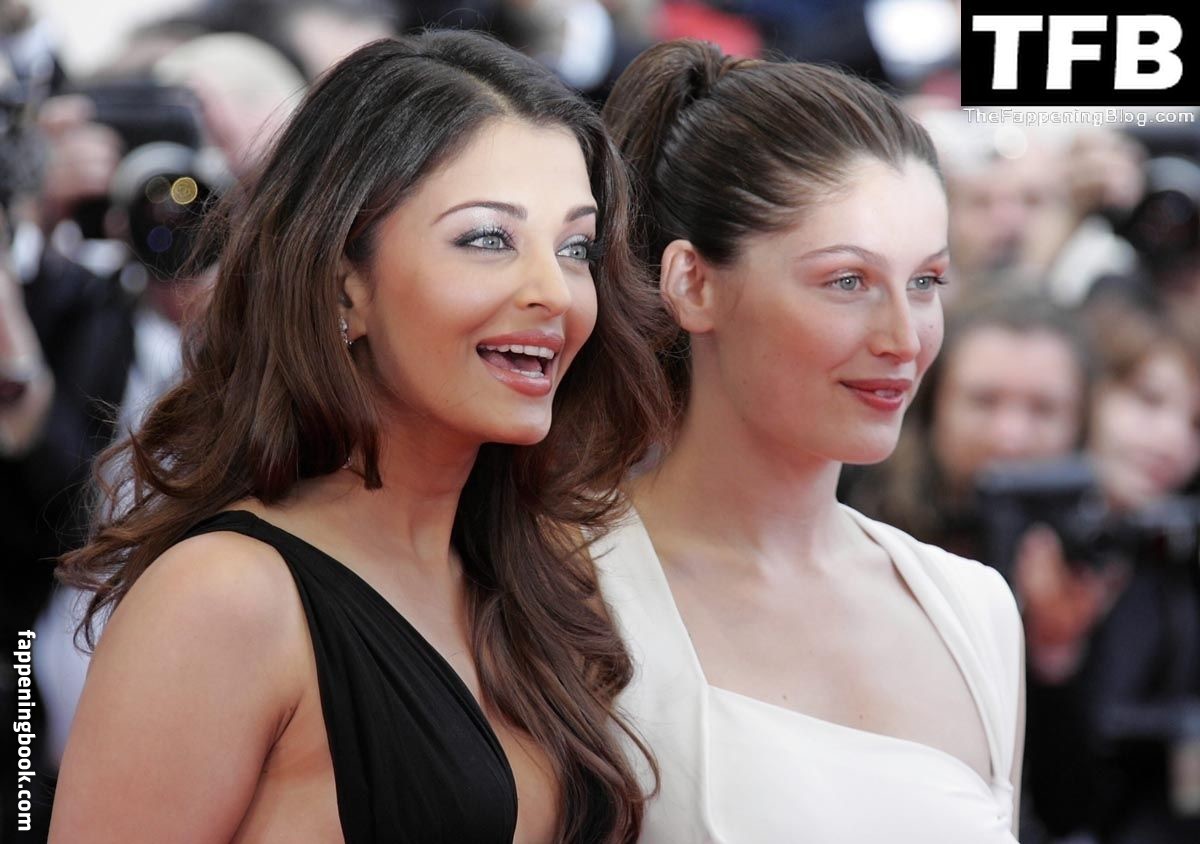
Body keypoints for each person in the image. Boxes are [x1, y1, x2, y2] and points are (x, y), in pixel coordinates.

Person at [49, 31, 670, 844]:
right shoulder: (225, 599)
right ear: (345, 285)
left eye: (576, 247)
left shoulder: (540, 580)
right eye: (489, 238)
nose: (554, 292)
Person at [595, 39, 1024, 841]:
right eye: (848, 281)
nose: (904, 338)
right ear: (693, 284)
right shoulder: (564, 594)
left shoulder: (975, 611)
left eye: (925, 281)